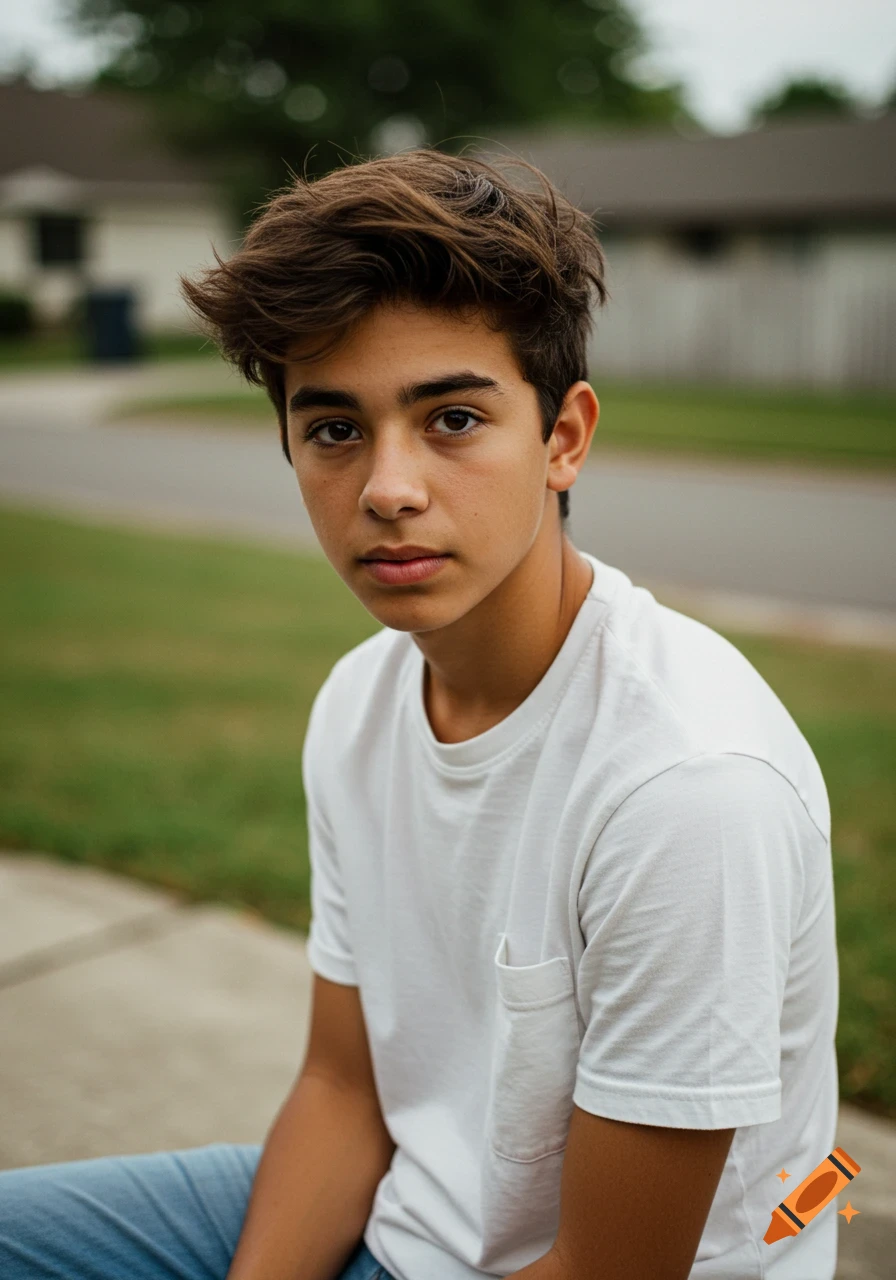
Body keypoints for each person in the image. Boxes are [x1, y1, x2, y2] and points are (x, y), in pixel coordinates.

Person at [0, 148, 839, 1280]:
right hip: (404, 1206)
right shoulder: (361, 700)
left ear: (563, 438)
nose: (388, 489)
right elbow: (345, 1090)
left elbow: (605, 1270)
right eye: (334, 429)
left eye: (450, 418)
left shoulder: (689, 788)